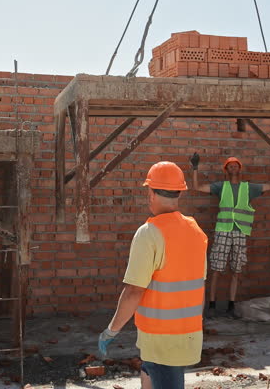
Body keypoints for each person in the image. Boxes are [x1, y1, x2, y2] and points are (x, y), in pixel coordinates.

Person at [98, 161, 208, 389]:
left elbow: (133, 291)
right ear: (179, 193)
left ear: (150, 193)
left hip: (161, 338)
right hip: (188, 334)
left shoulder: (149, 234)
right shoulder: (196, 231)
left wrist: (112, 329)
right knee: (151, 374)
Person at [190, 153, 270, 318]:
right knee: (216, 269)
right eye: (230, 165)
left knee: (236, 270)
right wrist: (195, 167)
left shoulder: (249, 188)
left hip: (240, 232)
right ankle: (211, 305)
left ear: (240, 169)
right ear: (226, 170)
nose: (233, 167)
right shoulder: (221, 187)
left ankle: (231, 305)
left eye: (236, 165)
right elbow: (197, 187)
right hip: (223, 230)